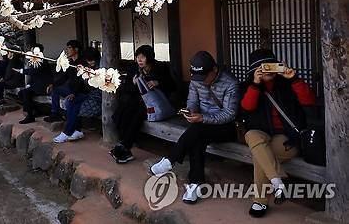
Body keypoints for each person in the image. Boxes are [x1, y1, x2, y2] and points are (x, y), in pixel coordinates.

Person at [149, 51, 239, 204]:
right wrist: (190, 111)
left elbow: (229, 114)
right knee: (197, 137)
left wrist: (203, 118)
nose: (201, 82)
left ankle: (171, 160)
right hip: (201, 124)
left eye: (204, 77)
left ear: (214, 69)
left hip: (226, 127)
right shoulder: (196, 80)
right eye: (198, 79)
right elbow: (192, 101)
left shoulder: (231, 83)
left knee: (197, 131)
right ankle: (195, 184)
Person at [240, 49, 316, 218]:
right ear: (255, 70)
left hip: (288, 137)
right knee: (252, 136)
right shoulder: (249, 85)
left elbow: (310, 101)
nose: (269, 71)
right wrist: (255, 84)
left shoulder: (287, 83)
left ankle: (262, 198)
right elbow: (247, 108)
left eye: (271, 66)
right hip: (261, 133)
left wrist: (294, 79)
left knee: (260, 156)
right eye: (264, 67)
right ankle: (277, 182)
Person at [111, 44, 176, 163]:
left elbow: (173, 86)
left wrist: (158, 82)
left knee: (138, 113)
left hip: (156, 104)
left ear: (149, 57)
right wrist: (133, 83)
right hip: (138, 101)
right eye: (137, 57)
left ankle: (124, 146)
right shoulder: (133, 69)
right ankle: (124, 146)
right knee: (126, 111)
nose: (139, 60)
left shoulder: (160, 67)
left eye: (143, 57)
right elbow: (127, 90)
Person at [45, 40, 90, 143]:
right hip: (71, 90)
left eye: (69, 48)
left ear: (76, 49)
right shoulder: (70, 63)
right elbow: (65, 77)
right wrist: (53, 84)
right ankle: (55, 113)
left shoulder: (83, 63)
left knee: (69, 103)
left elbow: (81, 82)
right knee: (55, 90)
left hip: (81, 92)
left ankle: (68, 132)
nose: (67, 50)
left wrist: (74, 93)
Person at [16, 44, 54, 124]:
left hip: (43, 86)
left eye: (33, 50)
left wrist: (21, 71)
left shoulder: (42, 60)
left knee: (26, 93)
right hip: (36, 85)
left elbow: (32, 71)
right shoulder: (35, 60)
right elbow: (33, 75)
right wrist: (29, 84)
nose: (32, 52)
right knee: (21, 93)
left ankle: (30, 116)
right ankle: (35, 110)